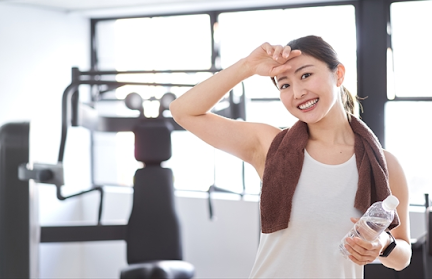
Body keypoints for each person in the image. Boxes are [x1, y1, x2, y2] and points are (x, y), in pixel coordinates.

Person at [170, 35, 411, 278]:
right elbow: (183, 111)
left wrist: (383, 246)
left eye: (306, 75)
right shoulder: (270, 146)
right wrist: (247, 67)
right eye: (284, 84)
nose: (297, 92)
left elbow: (403, 255)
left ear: (338, 74)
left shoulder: (384, 164)